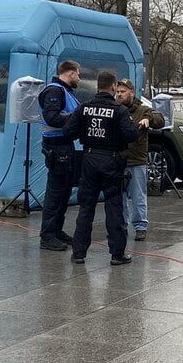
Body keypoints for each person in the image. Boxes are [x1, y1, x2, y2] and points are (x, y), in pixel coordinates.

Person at [63, 70, 138, 265]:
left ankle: (78, 253)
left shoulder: (84, 108)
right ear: (113, 87)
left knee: (86, 208)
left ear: (98, 87)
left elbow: (67, 131)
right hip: (112, 161)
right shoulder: (119, 110)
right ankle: (116, 254)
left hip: (89, 158)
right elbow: (131, 135)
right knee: (114, 207)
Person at [37, 60, 81, 251]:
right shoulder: (54, 91)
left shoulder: (66, 92)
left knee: (64, 192)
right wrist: (78, 118)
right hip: (57, 148)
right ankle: (47, 236)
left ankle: (56, 230)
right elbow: (52, 118)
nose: (79, 78)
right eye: (78, 75)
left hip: (66, 146)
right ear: (71, 73)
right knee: (55, 193)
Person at [115, 78, 165, 241]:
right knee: (119, 196)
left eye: (123, 92)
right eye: (118, 92)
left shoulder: (143, 110)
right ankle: (122, 223)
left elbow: (160, 120)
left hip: (136, 160)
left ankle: (140, 226)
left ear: (132, 92)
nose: (120, 95)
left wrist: (148, 120)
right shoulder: (115, 109)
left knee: (138, 196)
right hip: (118, 160)